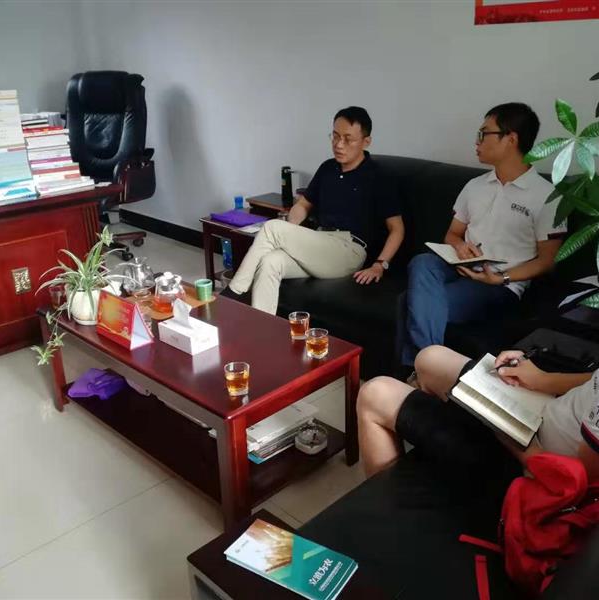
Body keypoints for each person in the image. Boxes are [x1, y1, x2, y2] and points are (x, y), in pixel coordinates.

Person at [395, 103, 566, 371]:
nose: (477, 141)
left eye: (484, 133)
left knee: (409, 301)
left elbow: (548, 261)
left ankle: (417, 372)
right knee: (422, 262)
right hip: (459, 266)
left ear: (511, 139)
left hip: (500, 284)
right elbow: (452, 234)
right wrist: (460, 246)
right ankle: (426, 371)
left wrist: (501, 278)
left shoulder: (547, 196)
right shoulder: (474, 186)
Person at [225, 106, 404, 315]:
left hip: (349, 250)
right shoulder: (327, 168)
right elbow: (303, 205)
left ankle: (231, 296)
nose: (339, 144)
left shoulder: (378, 177)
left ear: (366, 142)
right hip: (319, 243)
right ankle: (262, 330)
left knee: (272, 228)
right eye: (335, 136)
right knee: (270, 262)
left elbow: (397, 229)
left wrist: (380, 265)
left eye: (348, 139)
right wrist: (290, 230)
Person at [357, 345, 599, 485]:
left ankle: (384, 514)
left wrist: (508, 434)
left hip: (532, 463)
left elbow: (573, 482)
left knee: (374, 393)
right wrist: (541, 379)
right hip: (548, 413)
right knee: (430, 356)